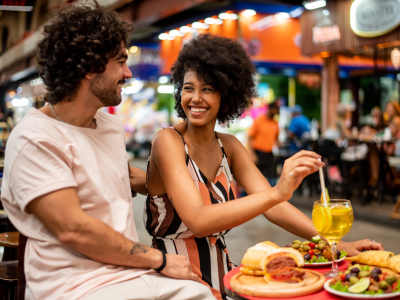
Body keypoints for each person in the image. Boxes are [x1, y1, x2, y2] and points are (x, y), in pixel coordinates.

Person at [145, 34, 383, 300]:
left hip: (225, 280)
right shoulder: (167, 141)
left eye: (208, 89)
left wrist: (336, 244)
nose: (195, 98)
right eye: (188, 88)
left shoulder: (229, 145)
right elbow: (198, 220)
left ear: (227, 94)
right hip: (175, 284)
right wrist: (276, 192)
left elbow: (275, 207)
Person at [0, 5, 215, 300]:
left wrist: (186, 165)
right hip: (74, 288)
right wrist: (159, 259)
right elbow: (74, 230)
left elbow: (120, 178)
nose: (127, 73)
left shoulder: (108, 126)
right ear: (89, 67)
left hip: (127, 274)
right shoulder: (35, 139)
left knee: (208, 293)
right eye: (120, 61)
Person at [247, 101, 280, 185]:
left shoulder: (275, 123)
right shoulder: (259, 121)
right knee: (256, 180)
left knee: (271, 179)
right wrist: (252, 154)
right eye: (274, 111)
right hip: (258, 153)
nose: (275, 114)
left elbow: (276, 139)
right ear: (270, 109)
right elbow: (249, 137)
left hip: (269, 154)